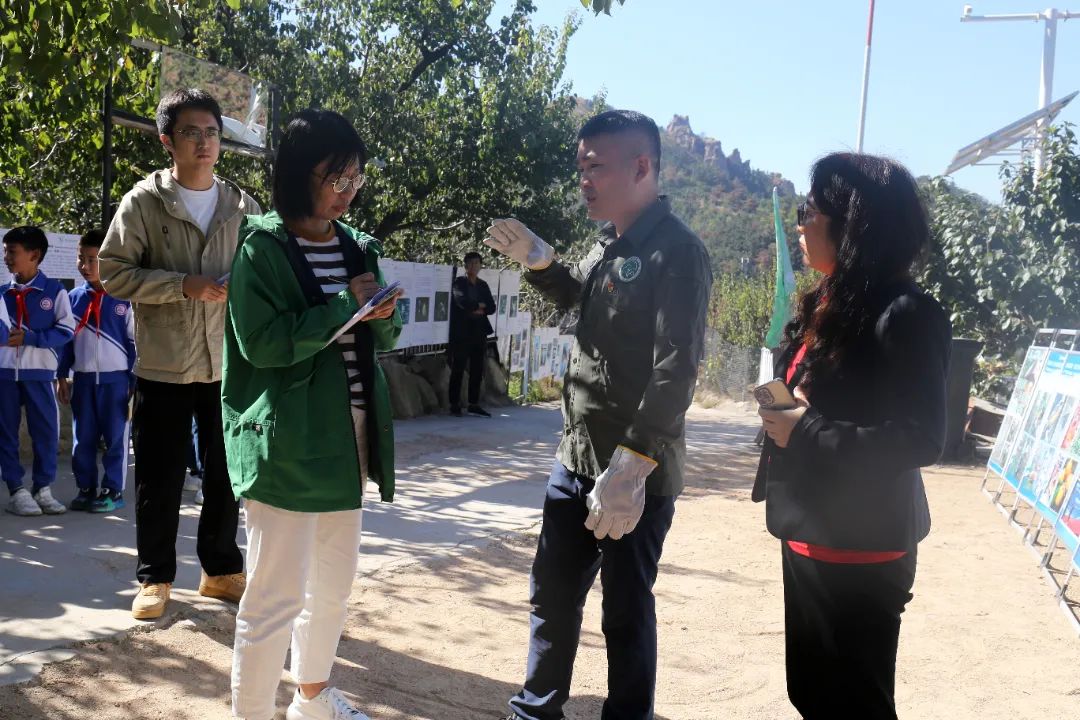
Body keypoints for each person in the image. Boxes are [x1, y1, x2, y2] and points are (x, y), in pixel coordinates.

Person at [485, 109, 712, 720]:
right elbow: (578, 302)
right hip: (576, 458)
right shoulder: (608, 243)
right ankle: (535, 710)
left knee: (626, 610)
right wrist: (540, 261)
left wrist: (632, 463)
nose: (584, 179)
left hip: (635, 473)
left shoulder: (677, 252)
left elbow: (676, 369)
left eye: (596, 167)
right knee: (552, 595)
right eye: (580, 167)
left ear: (641, 167)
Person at [755, 152, 951, 720]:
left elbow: (920, 437)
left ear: (853, 224)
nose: (800, 224)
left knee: (855, 704)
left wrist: (808, 429)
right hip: (808, 528)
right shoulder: (830, 299)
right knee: (812, 694)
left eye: (808, 212)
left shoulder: (907, 313)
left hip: (863, 546)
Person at [224, 109, 401, 720]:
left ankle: (312, 699)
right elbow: (262, 344)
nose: (348, 190)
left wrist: (384, 315)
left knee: (331, 589)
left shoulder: (359, 248)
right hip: (288, 444)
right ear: (300, 174)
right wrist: (344, 308)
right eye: (337, 177)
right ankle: (251, 713)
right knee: (272, 599)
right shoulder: (263, 249)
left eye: (356, 177)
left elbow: (384, 335)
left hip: (350, 438)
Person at [99, 88, 261, 620]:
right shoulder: (143, 203)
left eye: (212, 133)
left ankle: (220, 571)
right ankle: (155, 579)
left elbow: (265, 271)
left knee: (226, 475)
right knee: (159, 476)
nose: (204, 142)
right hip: (164, 363)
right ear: (167, 140)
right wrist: (180, 285)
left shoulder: (243, 206)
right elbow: (113, 272)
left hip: (227, 363)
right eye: (192, 132)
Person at [56, 229, 137, 513]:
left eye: (93, 260)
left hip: (117, 382)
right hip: (83, 380)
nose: (85, 265)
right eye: (81, 258)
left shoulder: (125, 299)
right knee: (83, 438)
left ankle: (113, 490)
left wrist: (134, 381)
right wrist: (61, 375)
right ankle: (86, 488)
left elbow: (135, 343)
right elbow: (66, 342)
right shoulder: (73, 298)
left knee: (115, 439)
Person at [1, 226, 75, 516]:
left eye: (12, 252)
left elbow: (66, 331)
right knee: (5, 433)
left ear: (34, 255)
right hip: (5, 374)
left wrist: (31, 338)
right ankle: (16, 490)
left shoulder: (55, 292)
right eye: (5, 251)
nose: (6, 257)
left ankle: (42, 488)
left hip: (40, 374)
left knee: (45, 432)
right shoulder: (2, 294)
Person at [448, 251, 496, 417]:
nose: (474, 266)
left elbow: (491, 307)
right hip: (462, 331)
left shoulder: (483, 285)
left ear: (480, 265)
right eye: (471, 263)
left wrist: (477, 307)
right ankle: (454, 404)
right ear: (466, 265)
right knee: (458, 367)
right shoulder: (459, 283)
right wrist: (478, 306)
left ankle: (473, 403)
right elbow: (462, 302)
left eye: (477, 263)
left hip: (479, 331)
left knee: (477, 368)